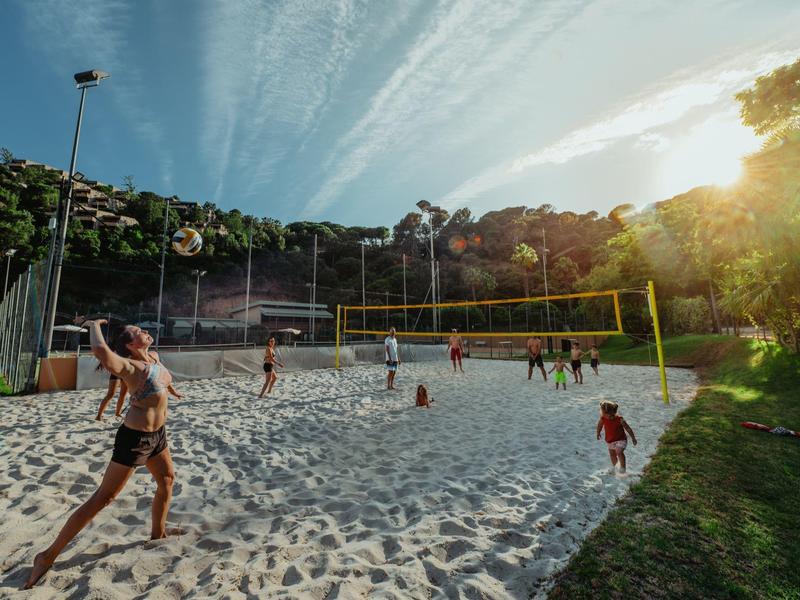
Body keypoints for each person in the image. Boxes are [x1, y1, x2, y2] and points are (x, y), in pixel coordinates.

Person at [25, 320, 183, 589]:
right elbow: (100, 350)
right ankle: (46, 556)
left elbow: (162, 380)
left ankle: (158, 534)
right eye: (138, 333)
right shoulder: (131, 367)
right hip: (134, 439)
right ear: (130, 346)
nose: (145, 332)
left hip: (158, 435)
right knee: (104, 498)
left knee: (167, 480)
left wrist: (172, 390)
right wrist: (93, 324)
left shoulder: (154, 357)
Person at [596, 401, 637, 473]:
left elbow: (628, 428)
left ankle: (623, 468)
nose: (607, 416)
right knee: (612, 454)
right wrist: (598, 433)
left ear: (613, 412)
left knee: (619, 451)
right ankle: (615, 467)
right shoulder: (603, 419)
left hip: (621, 439)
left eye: (608, 414)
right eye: (604, 414)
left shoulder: (620, 419)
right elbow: (599, 425)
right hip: (610, 440)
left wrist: (633, 438)